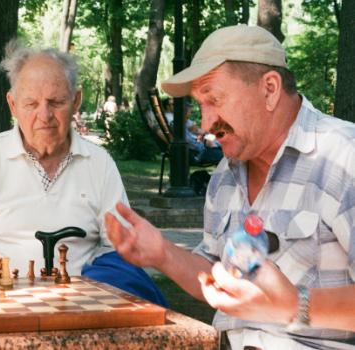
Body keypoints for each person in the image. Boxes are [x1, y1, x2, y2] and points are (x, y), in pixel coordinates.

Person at [106, 25, 355, 349]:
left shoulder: (342, 157)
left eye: (214, 100)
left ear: (269, 89)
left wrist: (295, 305)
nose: (207, 124)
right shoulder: (225, 174)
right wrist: (162, 253)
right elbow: (214, 273)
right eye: (200, 105)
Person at [0, 42, 166, 306]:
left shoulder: (99, 163)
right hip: (4, 309)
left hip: (84, 311)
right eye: (31, 103)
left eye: (56, 102)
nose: (44, 115)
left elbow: (120, 253)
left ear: (76, 101)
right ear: (12, 104)